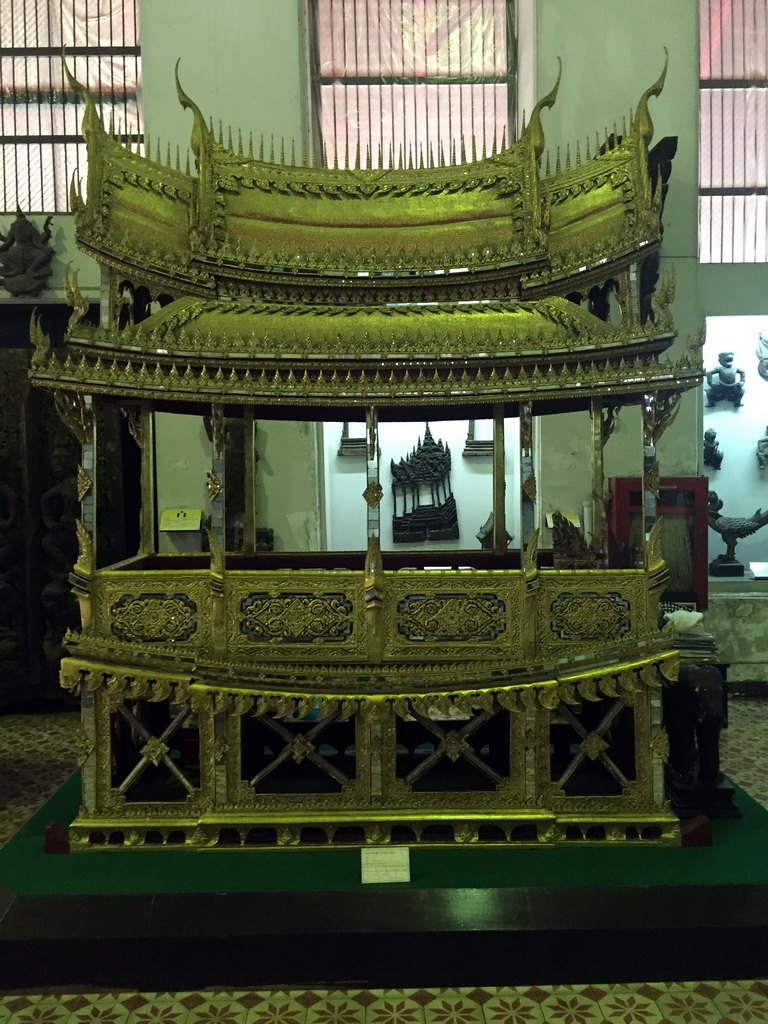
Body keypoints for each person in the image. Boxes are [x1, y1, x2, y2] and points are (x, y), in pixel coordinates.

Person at [0, 210, 54, 296]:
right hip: (29, 253)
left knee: (2, 255)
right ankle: (28, 269)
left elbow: (8, 243)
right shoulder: (28, 227)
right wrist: (45, 247)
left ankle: (20, 269)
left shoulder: (16, 227)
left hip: (20, 253)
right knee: (45, 254)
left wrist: (46, 236)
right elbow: (38, 242)